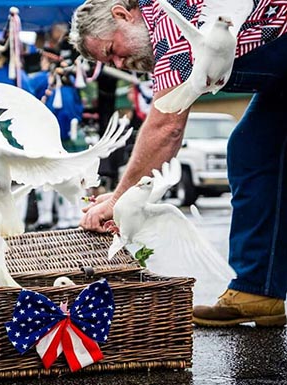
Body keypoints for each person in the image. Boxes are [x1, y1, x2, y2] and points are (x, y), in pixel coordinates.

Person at [70, 0, 287, 326]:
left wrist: (118, 201)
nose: (120, 62)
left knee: (253, 151)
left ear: (122, 14)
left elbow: (166, 128)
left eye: (112, 50)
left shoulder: (169, 23)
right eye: (110, 61)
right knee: (251, 151)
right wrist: (122, 197)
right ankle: (257, 290)